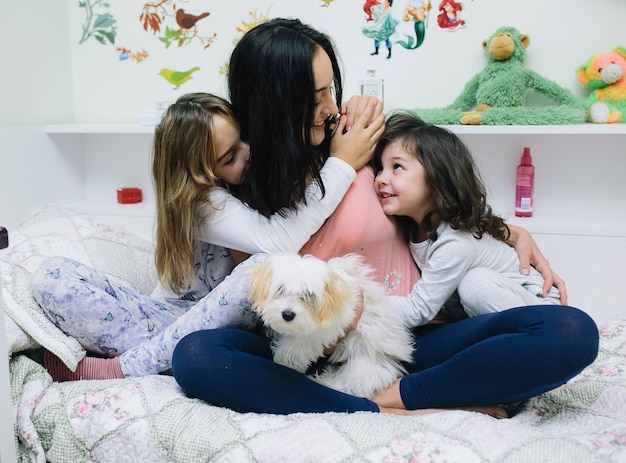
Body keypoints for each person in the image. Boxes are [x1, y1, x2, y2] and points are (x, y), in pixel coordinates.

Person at [170, 19, 599, 417]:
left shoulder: (356, 141)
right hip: (298, 347)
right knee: (196, 356)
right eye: (313, 97)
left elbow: (433, 187)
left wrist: (507, 231)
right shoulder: (233, 188)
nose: (330, 106)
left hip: (411, 338)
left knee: (571, 331)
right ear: (273, 104)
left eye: (329, 89)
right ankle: (391, 404)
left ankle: (399, 395)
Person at [31, 89, 384, 379]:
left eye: (243, 141)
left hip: (221, 329)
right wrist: (341, 165)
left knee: (257, 270)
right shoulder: (204, 203)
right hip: (171, 318)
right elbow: (279, 242)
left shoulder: (259, 179)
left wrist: (352, 110)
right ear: (198, 175)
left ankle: (126, 367)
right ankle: (152, 357)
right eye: (229, 158)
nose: (247, 155)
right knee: (51, 276)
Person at [373, 111, 560, 326]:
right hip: (497, 307)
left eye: (397, 167)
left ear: (436, 178)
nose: (380, 179)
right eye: (380, 168)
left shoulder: (455, 241)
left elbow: (419, 309)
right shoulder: (411, 228)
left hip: (538, 305)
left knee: (474, 285)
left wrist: (358, 307)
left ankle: (535, 336)